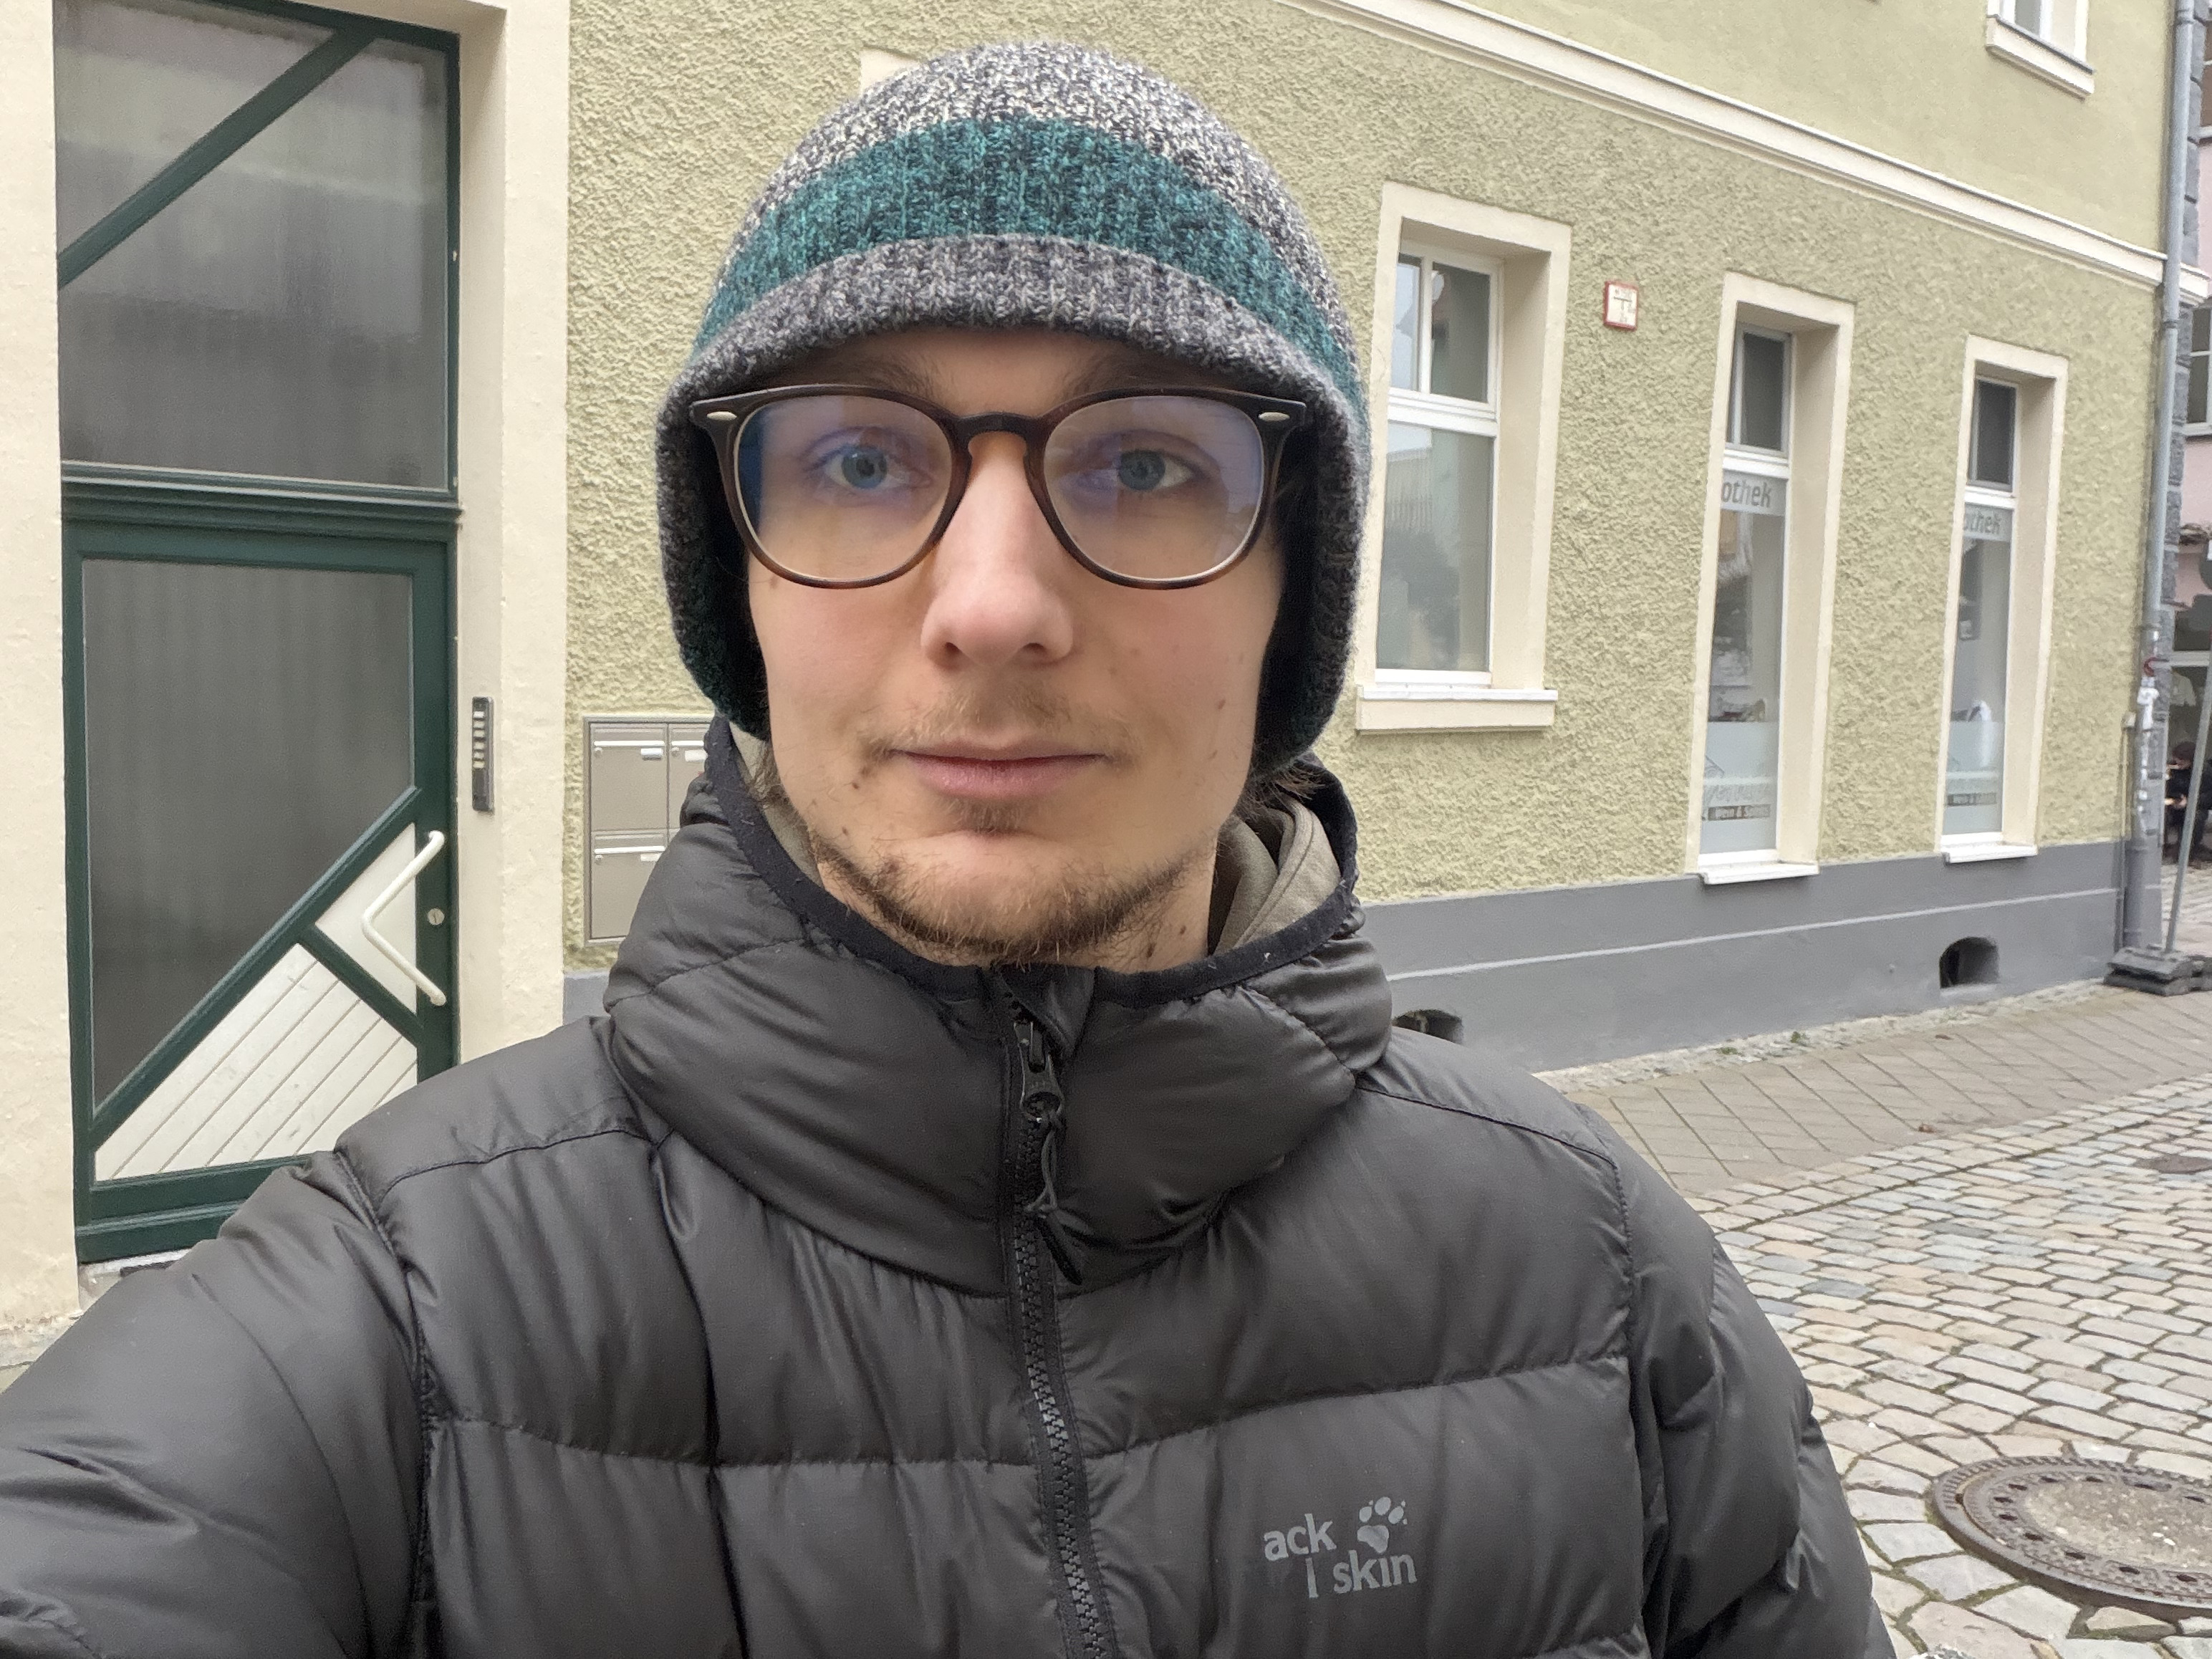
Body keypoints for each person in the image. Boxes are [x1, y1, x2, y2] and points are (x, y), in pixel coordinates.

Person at [0, 42, 1877, 1658]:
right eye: (859, 460)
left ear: (1293, 591)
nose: (992, 606)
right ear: (740, 589)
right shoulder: (394, 1316)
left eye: (1146, 464)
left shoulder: (1602, 1279)